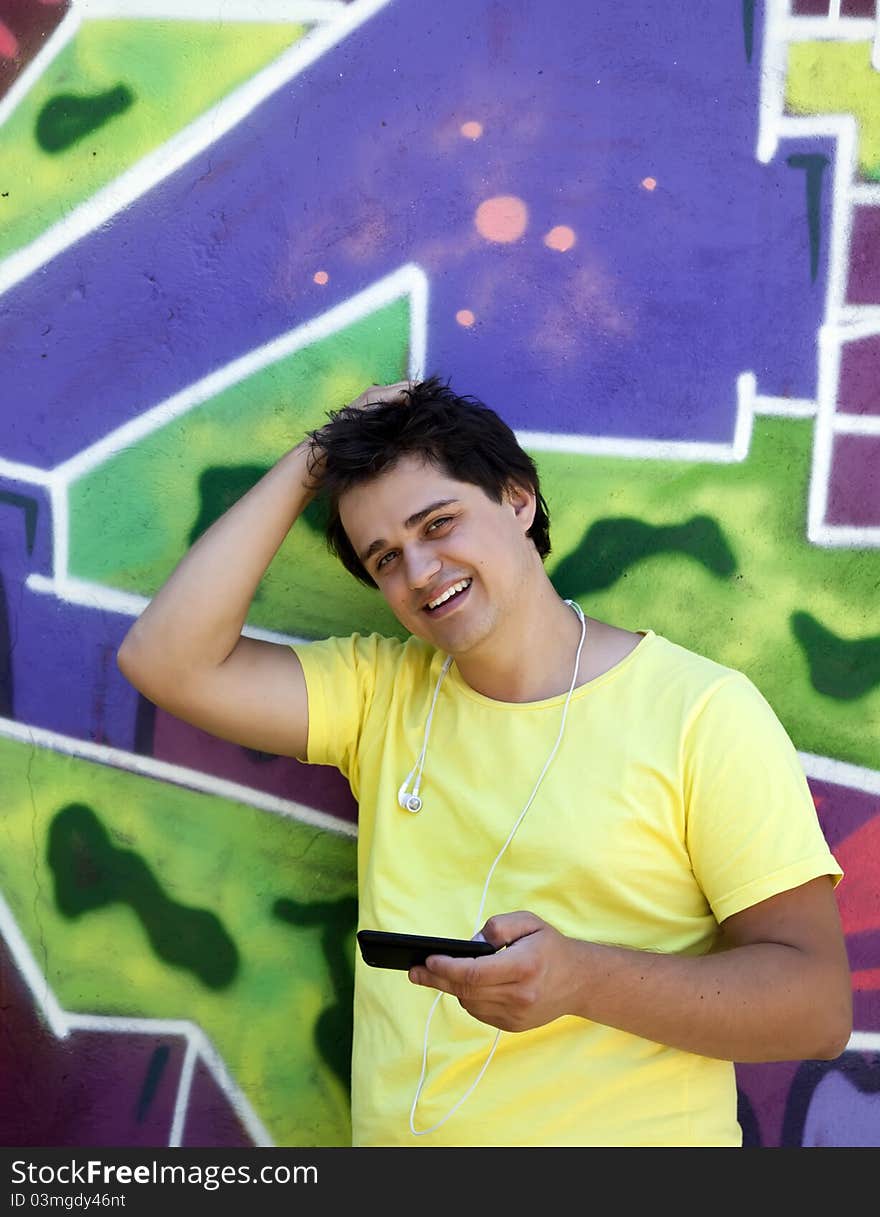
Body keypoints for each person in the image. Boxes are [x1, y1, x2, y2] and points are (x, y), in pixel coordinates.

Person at [117, 376, 852, 1148]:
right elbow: (166, 659)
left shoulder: (701, 711)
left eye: (439, 523)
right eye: (386, 558)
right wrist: (316, 457)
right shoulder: (379, 694)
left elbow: (815, 1006)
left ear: (517, 497)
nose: (421, 571)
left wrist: (581, 980)